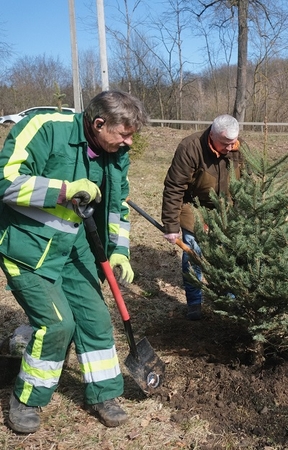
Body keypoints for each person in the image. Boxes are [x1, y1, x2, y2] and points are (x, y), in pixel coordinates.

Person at [0, 90, 148, 433]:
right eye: (123, 134)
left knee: (95, 319)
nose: (128, 143)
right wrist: (63, 190)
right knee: (57, 325)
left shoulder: (115, 154)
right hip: (28, 249)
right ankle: (27, 399)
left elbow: (116, 205)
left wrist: (119, 249)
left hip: (77, 247)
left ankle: (104, 394)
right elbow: (5, 181)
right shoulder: (45, 128)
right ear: (98, 123)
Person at [161, 114, 248, 320]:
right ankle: (194, 303)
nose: (230, 148)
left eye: (233, 143)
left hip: (228, 208)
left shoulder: (238, 147)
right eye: (225, 143)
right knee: (194, 253)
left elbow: (248, 181)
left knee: (230, 255)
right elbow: (174, 188)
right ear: (213, 134)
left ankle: (230, 302)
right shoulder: (190, 147)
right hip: (195, 205)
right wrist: (171, 226)